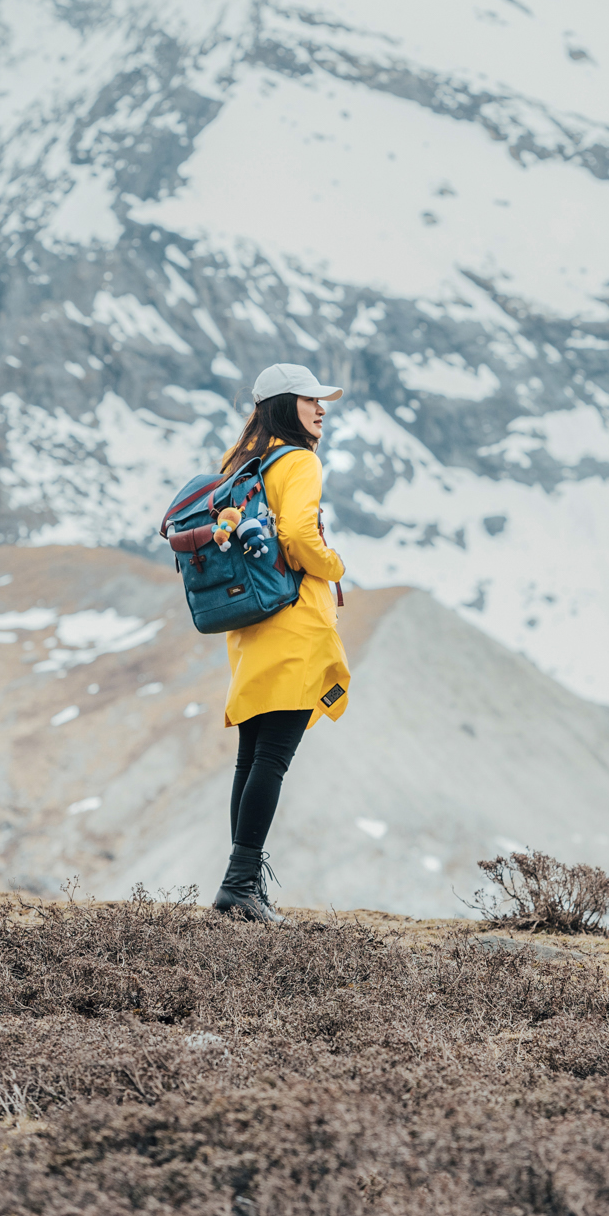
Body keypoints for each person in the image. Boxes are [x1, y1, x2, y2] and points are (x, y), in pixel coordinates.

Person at [212, 361, 349, 921]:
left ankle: (240, 883)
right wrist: (333, 564)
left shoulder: (243, 463)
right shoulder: (300, 461)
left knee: (251, 757)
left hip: (252, 626)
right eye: (308, 399)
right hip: (294, 626)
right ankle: (241, 884)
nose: (321, 409)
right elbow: (295, 534)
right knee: (273, 756)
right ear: (280, 405)